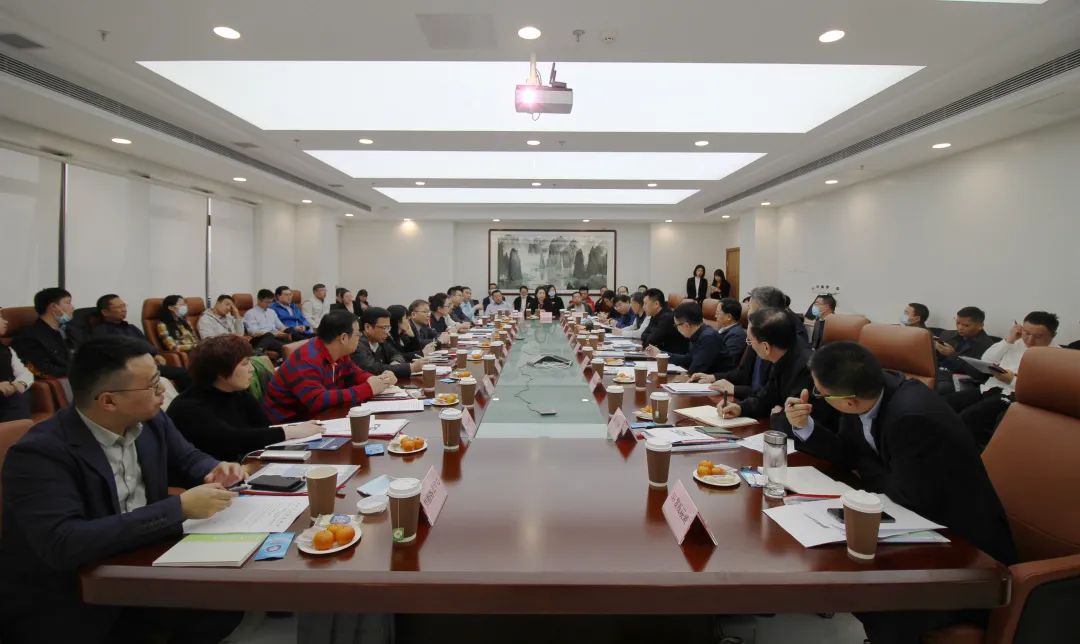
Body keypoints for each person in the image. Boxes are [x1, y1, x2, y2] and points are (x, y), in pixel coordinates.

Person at [0, 336, 244, 643]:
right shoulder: (40, 454)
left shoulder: (150, 420)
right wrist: (178, 508)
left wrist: (214, 468)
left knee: (224, 606)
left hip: (139, 559)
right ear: (109, 401)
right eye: (152, 385)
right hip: (70, 592)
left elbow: (188, 457)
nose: (163, 390)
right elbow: (64, 542)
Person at [784, 342, 1017, 643]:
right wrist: (805, 426)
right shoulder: (870, 393)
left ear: (849, 401)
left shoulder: (912, 416)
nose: (818, 397)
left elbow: (905, 496)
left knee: (879, 601)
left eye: (821, 393)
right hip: (921, 522)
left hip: (965, 554)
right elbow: (851, 454)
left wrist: (863, 467)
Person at [168, 335, 320, 462]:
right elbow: (231, 440)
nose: (252, 369)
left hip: (247, 466)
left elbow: (263, 427)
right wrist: (290, 432)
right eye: (245, 364)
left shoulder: (237, 393)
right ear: (220, 371)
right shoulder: (188, 407)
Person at [946, 311, 1058, 448]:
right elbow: (986, 360)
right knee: (945, 403)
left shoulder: (1058, 356)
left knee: (968, 416)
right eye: (1026, 333)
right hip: (989, 387)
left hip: (1013, 396)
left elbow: (1042, 392)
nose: (1029, 340)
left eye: (1038, 336)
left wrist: (1011, 380)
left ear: (1053, 335)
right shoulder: (1015, 342)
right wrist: (1009, 340)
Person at [263, 310, 395, 423]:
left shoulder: (339, 352)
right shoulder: (307, 359)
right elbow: (317, 400)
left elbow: (354, 373)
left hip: (320, 418)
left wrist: (376, 380)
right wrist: (368, 388)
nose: (359, 338)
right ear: (343, 338)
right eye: (357, 334)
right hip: (290, 425)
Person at [690, 286, 809, 398]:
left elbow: (771, 394)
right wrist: (714, 377)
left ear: (763, 311)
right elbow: (742, 372)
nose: (747, 312)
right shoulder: (756, 333)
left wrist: (735, 390)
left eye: (750, 307)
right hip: (751, 401)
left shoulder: (783, 343)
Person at [717, 308, 814, 427]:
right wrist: (740, 408)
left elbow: (797, 420)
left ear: (766, 347)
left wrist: (777, 416)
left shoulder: (807, 369)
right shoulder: (782, 356)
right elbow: (766, 398)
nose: (750, 346)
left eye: (749, 341)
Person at [93, 294, 193, 391]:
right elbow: (113, 355)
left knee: (183, 373)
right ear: (105, 312)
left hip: (148, 364)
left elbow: (146, 344)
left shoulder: (131, 328)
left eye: (124, 306)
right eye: (119, 307)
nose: (124, 309)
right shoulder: (101, 332)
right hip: (128, 368)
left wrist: (156, 355)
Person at [650, 301, 726, 377]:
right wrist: (660, 353)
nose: (677, 329)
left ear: (686, 325)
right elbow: (688, 359)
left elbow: (694, 371)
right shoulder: (698, 334)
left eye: (676, 326)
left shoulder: (708, 338)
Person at [13, 287, 76, 377]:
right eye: (68, 302)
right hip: (62, 379)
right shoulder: (29, 337)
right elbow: (45, 369)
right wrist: (79, 371)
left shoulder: (70, 330)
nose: (72, 307)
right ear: (53, 307)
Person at [352, 307, 426, 379]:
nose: (387, 332)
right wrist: (411, 367)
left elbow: (397, 354)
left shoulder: (380, 341)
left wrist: (395, 365)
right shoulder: (357, 345)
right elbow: (373, 369)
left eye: (388, 328)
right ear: (367, 327)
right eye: (384, 328)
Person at [687, 298, 746, 379]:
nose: (715, 316)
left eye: (718, 313)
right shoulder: (723, 330)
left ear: (729, 317)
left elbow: (726, 364)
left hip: (718, 378)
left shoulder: (736, 335)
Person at [934, 306, 996, 380]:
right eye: (958, 323)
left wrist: (953, 355)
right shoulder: (946, 334)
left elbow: (980, 375)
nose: (960, 328)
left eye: (966, 325)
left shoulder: (987, 346)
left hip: (959, 380)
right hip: (937, 373)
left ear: (980, 326)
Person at [0, 307, 34, 421]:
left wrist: (17, 384)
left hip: (8, 398)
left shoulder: (6, 350)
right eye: (0, 317)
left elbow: (25, 373)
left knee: (19, 396)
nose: (6, 321)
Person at [639, 288, 689, 354]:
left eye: (645, 303)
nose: (643, 307)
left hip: (673, 356)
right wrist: (649, 337)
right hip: (661, 354)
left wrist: (649, 337)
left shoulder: (667, 317)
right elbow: (643, 336)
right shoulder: (654, 315)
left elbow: (650, 342)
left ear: (656, 304)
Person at [243, 289, 292, 354]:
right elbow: (253, 332)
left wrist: (286, 331)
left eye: (271, 302)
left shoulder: (272, 312)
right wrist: (273, 334)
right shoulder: (250, 313)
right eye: (267, 302)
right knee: (269, 335)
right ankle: (257, 352)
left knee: (291, 340)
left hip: (274, 338)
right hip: (260, 339)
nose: (269, 305)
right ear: (259, 300)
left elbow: (280, 325)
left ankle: (259, 351)